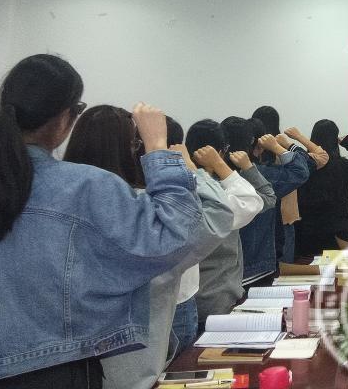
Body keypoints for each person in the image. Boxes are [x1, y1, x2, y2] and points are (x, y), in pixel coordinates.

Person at [0, 55, 203, 389]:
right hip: (58, 374)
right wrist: (157, 148)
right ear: (63, 119)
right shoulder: (89, 186)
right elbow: (176, 234)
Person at [63, 106, 262, 389]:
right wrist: (180, 164)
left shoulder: (62, 205)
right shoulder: (145, 210)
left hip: (73, 361)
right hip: (134, 359)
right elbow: (221, 213)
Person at [187, 118, 276, 326]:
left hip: (189, 298)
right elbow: (261, 199)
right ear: (220, 152)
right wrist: (239, 166)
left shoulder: (175, 189)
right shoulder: (224, 190)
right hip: (218, 295)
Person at [236, 119, 311, 288]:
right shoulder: (263, 174)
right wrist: (283, 146)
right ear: (259, 145)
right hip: (257, 263)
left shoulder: (213, 176)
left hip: (230, 268)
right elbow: (304, 169)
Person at [251, 106, 330, 264]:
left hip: (255, 218)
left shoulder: (248, 154)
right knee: (283, 269)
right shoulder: (283, 153)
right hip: (284, 219)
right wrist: (290, 142)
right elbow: (322, 157)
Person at [295, 119, 348, 258]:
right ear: (334, 140)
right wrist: (347, 142)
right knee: (337, 270)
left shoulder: (303, 165)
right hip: (337, 231)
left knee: (307, 268)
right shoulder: (342, 166)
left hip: (305, 229)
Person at [164, 116, 199, 355]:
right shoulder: (177, 193)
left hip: (179, 298)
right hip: (176, 300)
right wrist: (191, 169)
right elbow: (226, 209)